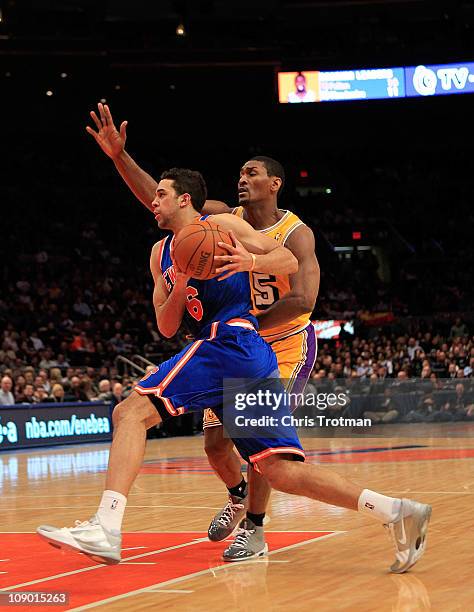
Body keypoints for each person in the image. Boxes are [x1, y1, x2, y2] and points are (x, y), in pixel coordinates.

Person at [37, 170, 431, 575]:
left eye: (160, 195)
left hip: (229, 341)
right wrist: (184, 277)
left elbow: (289, 259)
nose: (153, 203)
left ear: (185, 199)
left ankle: (106, 526)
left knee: (130, 413)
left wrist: (252, 260)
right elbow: (168, 326)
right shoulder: (159, 254)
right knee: (278, 469)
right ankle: (397, 511)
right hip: (235, 354)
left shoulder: (222, 225)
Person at [86, 103, 321, 560]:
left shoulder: (296, 233)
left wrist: (243, 326)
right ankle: (236, 495)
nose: (241, 178)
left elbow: (303, 300)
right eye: (239, 172)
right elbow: (168, 202)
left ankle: (254, 528)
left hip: (284, 339)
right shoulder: (220, 219)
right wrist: (120, 157)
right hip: (236, 341)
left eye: (251, 172)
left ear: (274, 183)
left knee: (262, 445)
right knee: (215, 444)